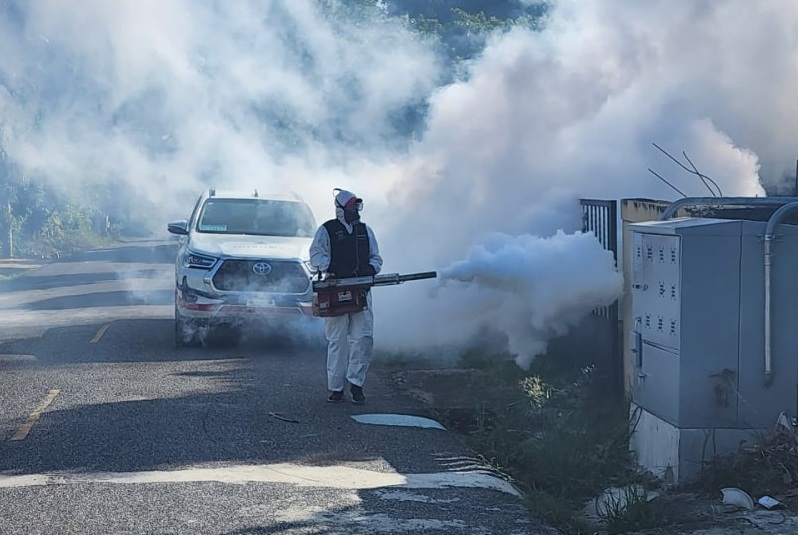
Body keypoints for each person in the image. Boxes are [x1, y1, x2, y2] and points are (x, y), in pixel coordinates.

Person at [309, 188, 383, 404]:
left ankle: (357, 384)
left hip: (361, 290)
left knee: (363, 338)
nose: (355, 210)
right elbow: (316, 256)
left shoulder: (365, 230)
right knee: (337, 341)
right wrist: (332, 266)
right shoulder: (327, 230)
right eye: (351, 206)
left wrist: (370, 268)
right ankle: (336, 387)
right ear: (341, 209)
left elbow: (376, 258)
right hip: (335, 288)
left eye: (356, 206)